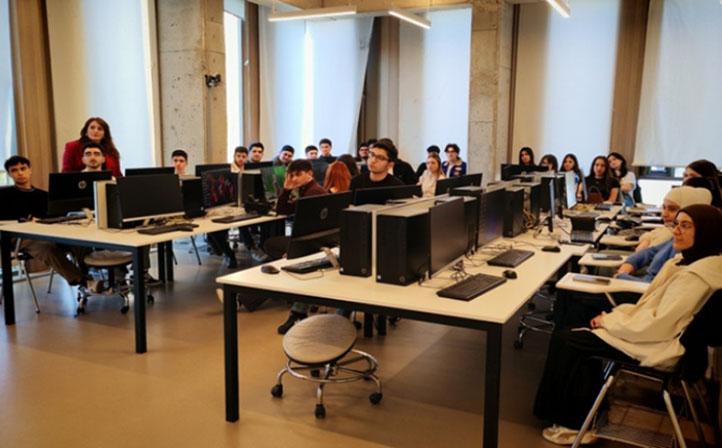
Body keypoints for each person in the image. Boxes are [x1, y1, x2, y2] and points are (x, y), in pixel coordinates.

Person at [535, 204, 722, 445]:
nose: (676, 230)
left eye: (685, 226)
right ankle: (578, 414)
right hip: (659, 335)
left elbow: (656, 325)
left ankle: (575, 423)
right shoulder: (690, 263)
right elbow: (653, 312)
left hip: (662, 346)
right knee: (576, 334)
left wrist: (610, 321)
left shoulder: (695, 277)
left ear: (706, 232)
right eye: (676, 224)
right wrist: (616, 317)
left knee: (570, 341)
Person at [0, 156, 91, 289]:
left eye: (23, 168)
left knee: (80, 242)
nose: (20, 173)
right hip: (20, 237)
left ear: (30, 170)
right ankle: (81, 280)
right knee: (47, 247)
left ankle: (90, 273)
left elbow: (57, 215)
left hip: (46, 233)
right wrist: (25, 222)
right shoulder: (3, 195)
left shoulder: (43, 196)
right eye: (14, 170)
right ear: (9, 174)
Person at [265, 160, 327, 334]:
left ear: (310, 174)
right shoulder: (307, 190)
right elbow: (283, 210)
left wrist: (293, 249)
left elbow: (308, 228)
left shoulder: (313, 193)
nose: (294, 178)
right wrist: (286, 189)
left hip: (310, 244)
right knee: (271, 251)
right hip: (308, 241)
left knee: (270, 246)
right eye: (291, 175)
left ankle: (251, 296)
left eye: (298, 175)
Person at [615, 186, 712, 282]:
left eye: (672, 209)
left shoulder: (686, 247)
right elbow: (652, 251)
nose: (663, 214)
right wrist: (630, 263)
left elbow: (658, 285)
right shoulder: (677, 236)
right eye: (664, 207)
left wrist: (621, 276)